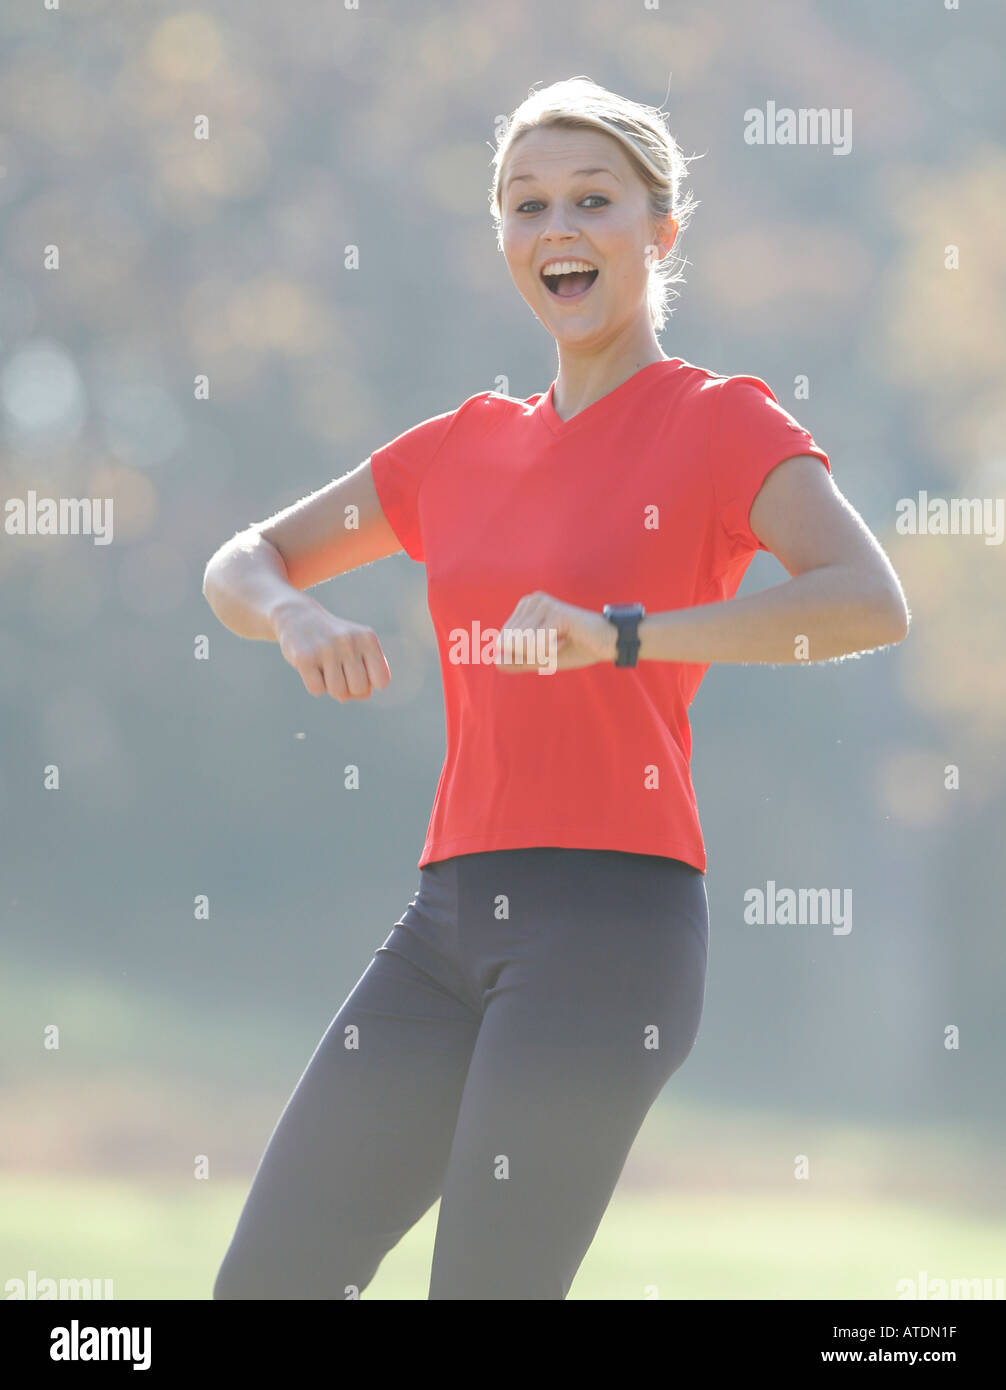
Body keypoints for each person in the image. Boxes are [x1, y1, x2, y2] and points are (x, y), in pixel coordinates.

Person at [203, 76, 909, 1301]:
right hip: (441, 920)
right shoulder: (459, 446)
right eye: (527, 206)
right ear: (504, 242)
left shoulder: (720, 424)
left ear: (659, 230)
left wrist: (625, 636)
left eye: (594, 199)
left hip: (613, 927)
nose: (558, 228)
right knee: (267, 1282)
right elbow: (240, 558)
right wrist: (296, 612)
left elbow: (866, 601)